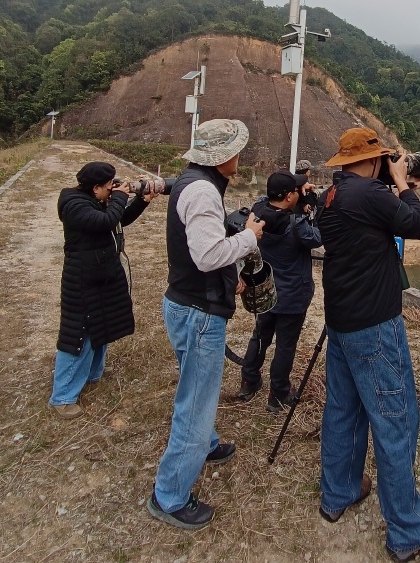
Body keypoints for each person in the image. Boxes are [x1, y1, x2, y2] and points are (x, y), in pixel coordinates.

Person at [316, 127, 420, 561]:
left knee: (342, 410)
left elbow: (374, 220)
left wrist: (400, 187)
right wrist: (405, 187)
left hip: (341, 322)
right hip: (374, 326)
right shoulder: (371, 196)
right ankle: (409, 531)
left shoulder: (331, 197)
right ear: (374, 159)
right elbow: (419, 227)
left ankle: (339, 493)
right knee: (395, 420)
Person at [147, 119, 264, 531]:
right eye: (236, 150)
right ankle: (170, 495)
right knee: (195, 403)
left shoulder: (191, 182)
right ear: (222, 157)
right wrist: (249, 237)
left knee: (196, 387)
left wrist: (231, 275)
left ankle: (207, 444)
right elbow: (209, 254)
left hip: (186, 304)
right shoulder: (201, 191)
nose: (239, 157)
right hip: (198, 315)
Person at [49, 162, 159, 419]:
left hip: (100, 274)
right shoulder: (74, 205)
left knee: (102, 326)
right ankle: (62, 397)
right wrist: (121, 196)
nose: (113, 191)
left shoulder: (92, 200)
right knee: (79, 333)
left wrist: (142, 201)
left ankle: (92, 374)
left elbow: (118, 219)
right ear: (95, 187)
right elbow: (105, 220)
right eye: (109, 187)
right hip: (83, 279)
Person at [238, 170, 322, 412]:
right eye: (295, 191)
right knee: (285, 345)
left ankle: (248, 382)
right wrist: (312, 207)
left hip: (266, 291)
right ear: (288, 197)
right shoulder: (297, 226)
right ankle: (279, 393)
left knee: (260, 337)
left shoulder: (258, 213)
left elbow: (268, 203)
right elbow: (317, 237)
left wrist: (298, 198)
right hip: (293, 295)